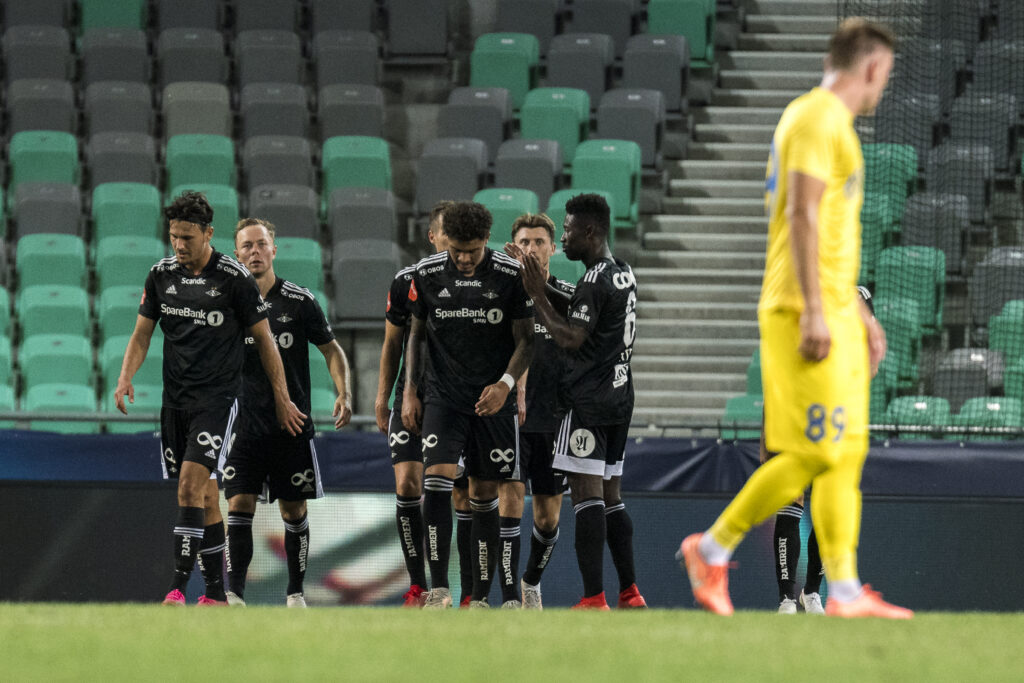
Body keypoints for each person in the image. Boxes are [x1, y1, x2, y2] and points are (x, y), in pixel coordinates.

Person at [677, 18, 912, 619]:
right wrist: (814, 308)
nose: (883, 86)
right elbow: (801, 216)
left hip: (834, 307)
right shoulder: (815, 118)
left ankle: (843, 591)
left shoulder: (836, 127)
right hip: (799, 308)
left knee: (845, 453)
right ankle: (711, 548)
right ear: (871, 68)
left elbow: (830, 232)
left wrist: (858, 309)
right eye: (885, 74)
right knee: (813, 453)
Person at [114, 191, 304, 606]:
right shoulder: (160, 275)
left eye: (187, 237)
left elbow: (266, 341)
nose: (179, 245)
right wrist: (125, 376)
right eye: (173, 237)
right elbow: (142, 332)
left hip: (219, 402)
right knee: (204, 496)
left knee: (189, 487)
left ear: (208, 234)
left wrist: (282, 397)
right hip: (175, 402)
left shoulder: (234, 279)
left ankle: (177, 588)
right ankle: (216, 595)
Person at [506, 193, 647, 610]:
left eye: (566, 230)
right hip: (621, 398)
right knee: (613, 495)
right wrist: (545, 283)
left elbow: (570, 336)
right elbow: (588, 311)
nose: (563, 238)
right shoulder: (620, 271)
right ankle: (630, 591)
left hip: (588, 402)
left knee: (588, 498)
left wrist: (534, 293)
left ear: (589, 231)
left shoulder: (591, 279)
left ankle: (593, 598)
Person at [402, 201, 534, 609]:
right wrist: (409, 389)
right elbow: (415, 335)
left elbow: (528, 341)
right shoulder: (425, 274)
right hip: (444, 395)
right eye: (456, 249)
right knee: (436, 479)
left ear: (486, 242)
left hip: (492, 400)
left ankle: (479, 596)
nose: (462, 258)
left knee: (483, 492)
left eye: (472, 250)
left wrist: (506, 385)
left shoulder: (511, 275)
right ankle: (439, 589)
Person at [222, 218, 353, 608]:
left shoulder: (299, 301)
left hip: (290, 424)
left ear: (274, 250)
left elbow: (331, 349)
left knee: (293, 509)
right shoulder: (227, 306)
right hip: (243, 426)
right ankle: (234, 595)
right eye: (246, 246)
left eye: (261, 244)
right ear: (237, 254)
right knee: (238, 504)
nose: (255, 252)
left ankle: (295, 593)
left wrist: (343, 392)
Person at [772, 285, 876, 615]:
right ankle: (787, 598)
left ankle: (812, 592)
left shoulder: (858, 350)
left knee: (828, 505)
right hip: (799, 417)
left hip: (835, 426)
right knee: (791, 499)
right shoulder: (813, 330)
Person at [374, 201, 453, 608]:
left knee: (458, 492)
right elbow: (392, 343)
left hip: (458, 399)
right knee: (406, 483)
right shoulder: (407, 280)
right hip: (413, 395)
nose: (451, 242)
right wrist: (383, 396)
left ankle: (464, 587)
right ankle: (418, 584)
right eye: (446, 233)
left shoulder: (479, 277)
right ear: (433, 236)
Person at [506, 213, 574, 609]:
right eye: (524, 242)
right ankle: (511, 597)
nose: (531, 248)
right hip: (512, 421)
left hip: (557, 422)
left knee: (548, 519)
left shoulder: (568, 297)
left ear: (553, 248)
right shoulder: (501, 294)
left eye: (539, 242)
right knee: (510, 504)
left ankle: (531, 580)